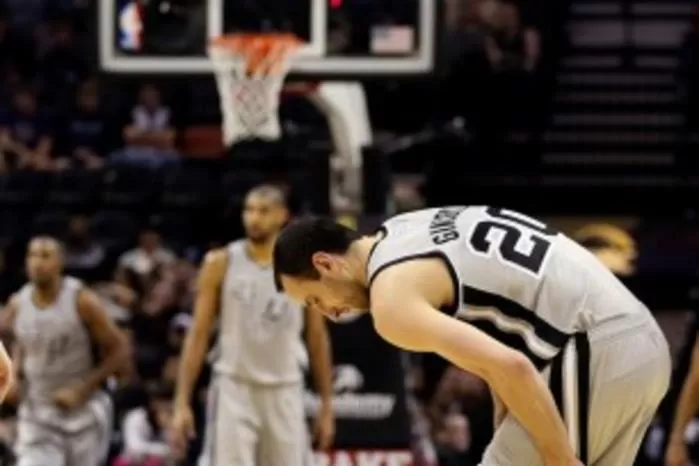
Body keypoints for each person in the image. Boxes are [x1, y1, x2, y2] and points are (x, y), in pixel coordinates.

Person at [273, 206, 672, 466]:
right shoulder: (404, 227)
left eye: (314, 300)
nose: (329, 313)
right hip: (638, 340)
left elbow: (512, 366)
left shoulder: (390, 302)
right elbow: (504, 344)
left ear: (325, 263)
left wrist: (559, 460)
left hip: (591, 346)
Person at [171, 185, 334, 466]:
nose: (253, 218)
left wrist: (327, 406)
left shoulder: (303, 267)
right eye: (249, 210)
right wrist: (181, 401)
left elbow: (317, 338)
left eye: (263, 211)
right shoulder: (220, 262)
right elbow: (197, 335)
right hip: (234, 388)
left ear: (283, 216)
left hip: (285, 388)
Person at [3, 236, 128, 466]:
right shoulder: (18, 303)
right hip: (37, 412)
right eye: (32, 255)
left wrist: (83, 388)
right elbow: (19, 342)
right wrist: (14, 375)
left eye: (45, 256)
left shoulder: (82, 300)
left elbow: (120, 349)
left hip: (83, 412)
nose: (37, 262)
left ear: (60, 262)